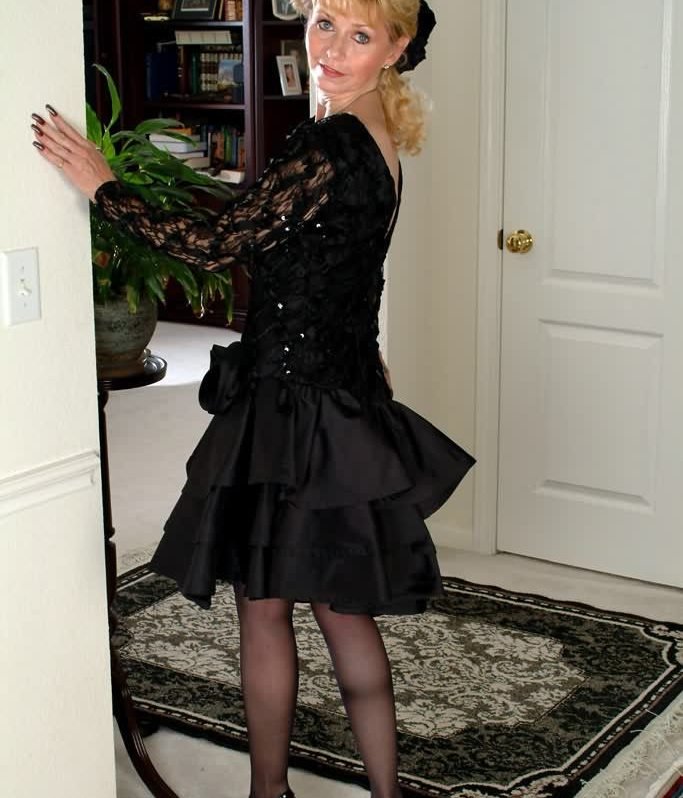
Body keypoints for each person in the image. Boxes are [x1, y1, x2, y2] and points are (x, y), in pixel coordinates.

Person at [31, 2, 474, 796]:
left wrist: (103, 185)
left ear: (396, 48)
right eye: (324, 22)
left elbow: (213, 243)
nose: (330, 48)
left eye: (359, 35)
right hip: (338, 394)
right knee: (341, 608)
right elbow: (350, 271)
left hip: (292, 409)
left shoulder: (324, 143)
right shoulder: (377, 140)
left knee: (266, 604)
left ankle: (269, 793)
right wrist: (362, 350)